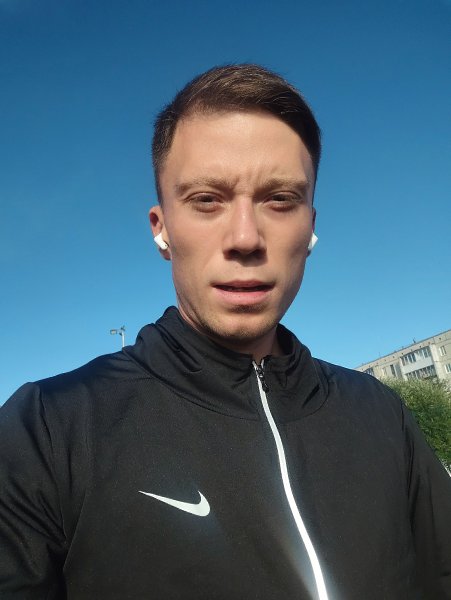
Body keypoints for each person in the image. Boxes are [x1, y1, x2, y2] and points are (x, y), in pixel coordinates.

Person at [1, 64, 450, 600]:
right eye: (206, 200)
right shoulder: (46, 430)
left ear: (310, 227)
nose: (245, 238)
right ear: (162, 229)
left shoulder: (381, 414)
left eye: (279, 199)